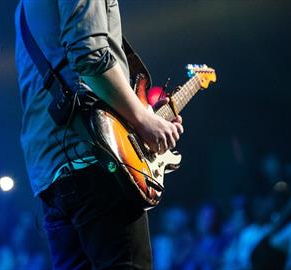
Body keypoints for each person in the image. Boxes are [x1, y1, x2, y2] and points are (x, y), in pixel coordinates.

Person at [15, 0, 183, 269]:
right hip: (97, 162)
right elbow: (89, 56)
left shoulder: (26, 7)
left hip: (51, 174)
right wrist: (142, 120)